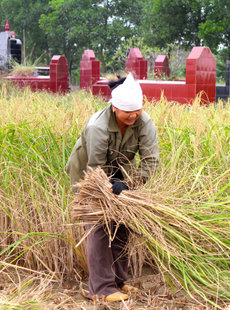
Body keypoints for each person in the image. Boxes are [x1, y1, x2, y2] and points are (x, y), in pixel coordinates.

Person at [65, 73, 159, 302]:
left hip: (121, 174)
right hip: (89, 175)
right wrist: (108, 187)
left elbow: (150, 161)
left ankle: (119, 282)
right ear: (114, 107)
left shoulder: (144, 122)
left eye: (137, 110)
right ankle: (101, 288)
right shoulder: (99, 126)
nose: (133, 116)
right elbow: (95, 167)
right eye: (128, 111)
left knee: (122, 224)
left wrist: (128, 184)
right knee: (99, 226)